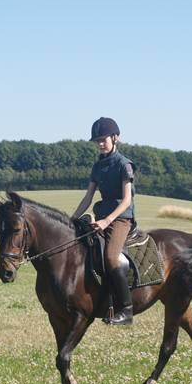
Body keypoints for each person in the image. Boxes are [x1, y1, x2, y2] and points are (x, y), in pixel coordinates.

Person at [72, 117, 137, 325]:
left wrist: (107, 220)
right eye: (97, 141)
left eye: (103, 139)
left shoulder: (124, 165)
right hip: (101, 217)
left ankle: (126, 310)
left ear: (115, 138)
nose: (100, 144)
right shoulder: (97, 166)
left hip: (121, 219)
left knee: (110, 257)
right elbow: (88, 197)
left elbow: (127, 200)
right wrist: (71, 219)